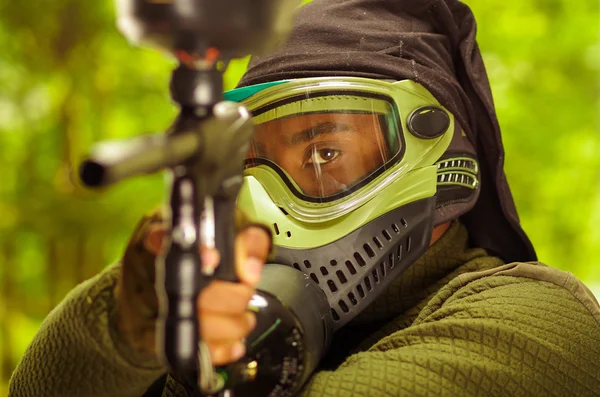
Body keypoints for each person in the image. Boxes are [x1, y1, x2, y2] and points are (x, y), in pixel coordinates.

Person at [9, 0, 600, 396]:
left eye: (323, 154)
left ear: (433, 145)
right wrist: (124, 324)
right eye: (251, 164)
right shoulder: (234, 307)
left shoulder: (540, 327)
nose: (268, 205)